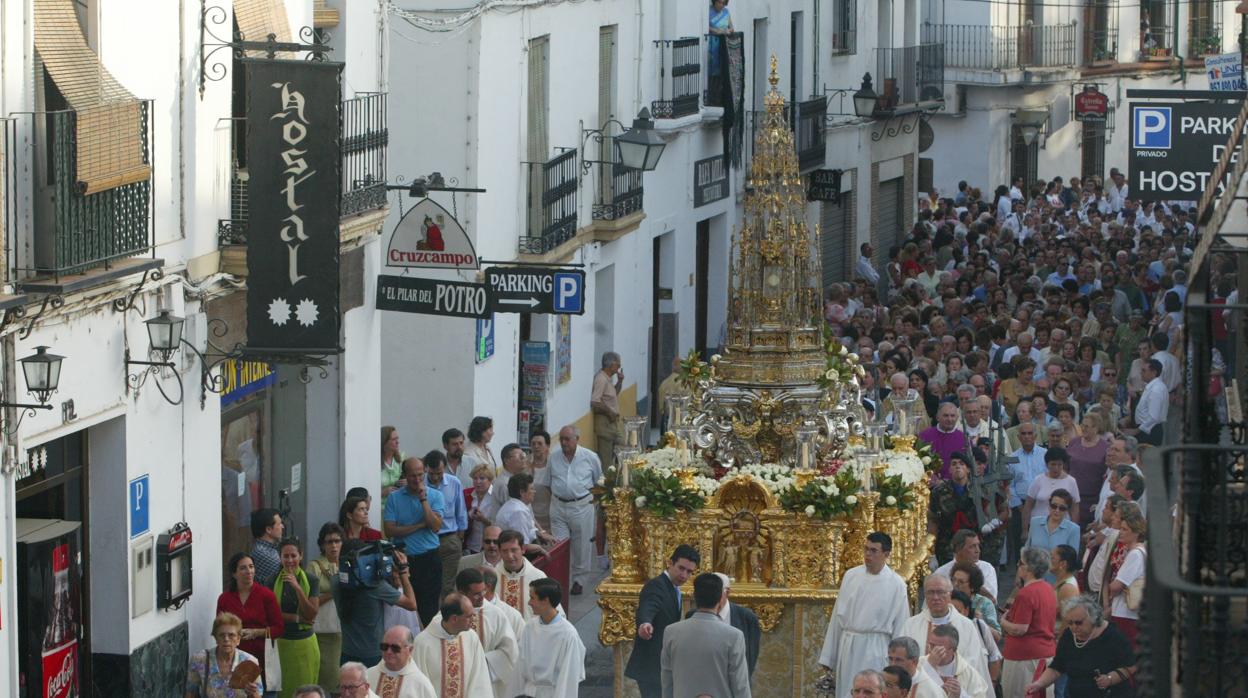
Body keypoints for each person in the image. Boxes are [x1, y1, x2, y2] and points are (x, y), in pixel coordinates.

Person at [818, 532, 909, 698]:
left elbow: (901, 625)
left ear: (886, 554)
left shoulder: (897, 584)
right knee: (848, 690)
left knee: (871, 689)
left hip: (876, 648)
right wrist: (829, 657)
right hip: (848, 646)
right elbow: (837, 618)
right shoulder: (851, 576)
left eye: (874, 551)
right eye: (866, 549)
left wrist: (896, 663)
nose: (868, 554)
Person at [429, 568, 518, 698]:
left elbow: (509, 652)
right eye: (476, 594)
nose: (482, 597)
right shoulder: (442, 619)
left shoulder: (496, 614)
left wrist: (481, 662)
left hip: (487, 683)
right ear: (461, 592)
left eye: (483, 591)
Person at [625, 544, 700, 698]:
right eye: (681, 568)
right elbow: (648, 606)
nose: (684, 575)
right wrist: (645, 623)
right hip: (651, 667)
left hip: (661, 666)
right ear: (670, 563)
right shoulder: (656, 586)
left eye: (689, 572)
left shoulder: (672, 588)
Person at [661, 573, 752, 698]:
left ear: (694, 596)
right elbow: (740, 685)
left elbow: (667, 681)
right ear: (721, 598)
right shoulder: (734, 636)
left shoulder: (671, 632)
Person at [1025, 596, 1137, 697]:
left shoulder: (1113, 636)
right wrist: (1039, 684)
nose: (1074, 627)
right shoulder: (1069, 635)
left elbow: (1131, 666)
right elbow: (1057, 667)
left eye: (1079, 623)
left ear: (1093, 618)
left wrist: (1110, 678)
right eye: (1070, 622)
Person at [335, 539, 419, 667]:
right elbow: (411, 604)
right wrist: (402, 571)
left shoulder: (335, 581)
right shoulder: (375, 587)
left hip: (347, 652)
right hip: (373, 656)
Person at [383, 456, 445, 627]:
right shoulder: (395, 498)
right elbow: (390, 530)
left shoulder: (436, 496)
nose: (417, 480)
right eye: (412, 476)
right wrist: (419, 525)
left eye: (420, 475)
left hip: (429, 559)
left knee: (429, 610)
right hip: (404, 560)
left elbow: (435, 526)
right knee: (406, 610)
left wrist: (423, 499)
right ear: (405, 475)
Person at [900, 576, 992, 689]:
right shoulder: (911, 625)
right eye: (930, 592)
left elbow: (972, 664)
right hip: (921, 691)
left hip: (956, 689)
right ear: (924, 595)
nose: (935, 597)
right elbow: (903, 661)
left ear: (950, 594)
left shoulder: (966, 626)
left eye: (940, 592)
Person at [547, 424, 604, 595]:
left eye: (567, 439)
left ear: (576, 439)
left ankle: (579, 580)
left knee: (581, 546)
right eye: (561, 439)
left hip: (581, 506)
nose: (564, 442)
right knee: (559, 545)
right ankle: (559, 579)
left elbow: (598, 481)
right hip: (558, 506)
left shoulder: (590, 457)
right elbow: (548, 482)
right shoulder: (554, 458)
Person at [216, 553, 283, 684]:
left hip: (265, 656)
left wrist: (257, 632)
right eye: (243, 568)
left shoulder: (266, 595)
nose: (249, 571)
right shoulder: (225, 599)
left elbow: (279, 628)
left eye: (251, 567)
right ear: (234, 574)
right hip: (234, 658)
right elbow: (219, 628)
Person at [1000, 547, 1058, 697]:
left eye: (1021, 563)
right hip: (1044, 654)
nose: (1018, 566)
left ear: (1029, 569)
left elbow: (1020, 629)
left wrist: (1003, 621)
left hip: (1024, 659)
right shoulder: (1048, 588)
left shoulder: (1026, 593)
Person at [410, 593, 493, 697]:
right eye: (468, 616)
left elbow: (480, 678)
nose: (473, 619)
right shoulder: (422, 643)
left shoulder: (471, 638)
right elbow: (418, 686)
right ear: (454, 619)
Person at [516, 578, 586, 698]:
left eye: (532, 598)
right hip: (528, 692)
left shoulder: (568, 634)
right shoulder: (530, 627)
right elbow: (520, 666)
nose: (529, 602)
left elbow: (568, 679)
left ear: (545, 600)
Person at [274, 538, 321, 698]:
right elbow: (272, 615)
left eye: (293, 556)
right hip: (280, 644)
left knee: (305, 692)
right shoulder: (271, 580)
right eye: (285, 556)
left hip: (305, 645)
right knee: (282, 691)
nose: (289, 560)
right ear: (279, 557)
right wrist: (297, 618)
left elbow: (311, 614)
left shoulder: (312, 580)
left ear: (301, 556)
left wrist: (297, 588)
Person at [1098, 502, 1147, 649]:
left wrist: (1112, 586)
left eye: (1125, 530)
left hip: (1125, 614)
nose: (1121, 532)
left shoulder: (1135, 555)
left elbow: (1116, 586)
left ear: (1136, 532)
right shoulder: (1137, 552)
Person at [185, 612, 263, 698]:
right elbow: (190, 694)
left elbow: (258, 695)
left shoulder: (250, 662)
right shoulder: (199, 659)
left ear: (238, 639)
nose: (226, 639)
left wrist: (253, 693)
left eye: (231, 635)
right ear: (216, 638)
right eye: (221, 635)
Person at [425, 449, 468, 596]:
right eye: (432, 474)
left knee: (447, 586)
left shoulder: (453, 482)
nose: (436, 477)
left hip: (449, 539)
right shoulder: (420, 486)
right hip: (426, 538)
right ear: (426, 469)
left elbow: (460, 510)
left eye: (439, 473)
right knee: (429, 584)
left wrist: (460, 536)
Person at [309, 524, 343, 693]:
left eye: (337, 541)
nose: (334, 546)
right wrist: (333, 592)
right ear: (322, 545)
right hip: (321, 632)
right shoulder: (315, 567)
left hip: (344, 632)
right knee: (324, 680)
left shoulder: (348, 563)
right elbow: (309, 602)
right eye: (329, 542)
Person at [928, 453, 980, 566]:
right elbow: (933, 520)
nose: (958, 466)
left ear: (968, 470)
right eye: (954, 464)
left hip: (973, 542)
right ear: (950, 470)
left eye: (962, 464)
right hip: (947, 544)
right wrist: (931, 550)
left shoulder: (979, 489)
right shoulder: (939, 491)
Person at [707, 572, 761, 679]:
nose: (711, 596)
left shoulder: (747, 618)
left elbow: (750, 658)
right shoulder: (693, 615)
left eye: (716, 591)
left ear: (727, 592)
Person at [1008, 421, 1047, 565]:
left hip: (1041, 505)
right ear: (1018, 437)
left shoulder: (1045, 455)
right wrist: (1019, 505)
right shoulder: (1012, 457)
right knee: (1021, 543)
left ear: (1035, 435)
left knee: (1040, 543)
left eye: (1030, 433)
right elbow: (1010, 485)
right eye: (1023, 434)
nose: (1027, 437)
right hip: (1020, 506)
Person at [916, 625, 991, 698]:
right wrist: (928, 667)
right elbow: (909, 692)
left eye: (939, 648)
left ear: (953, 650)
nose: (933, 652)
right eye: (931, 646)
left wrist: (961, 695)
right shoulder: (917, 664)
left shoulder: (969, 674)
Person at [1024, 448, 1081, 538]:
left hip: (1062, 528)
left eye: (1059, 465)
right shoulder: (1038, 480)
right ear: (1047, 465)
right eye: (1053, 464)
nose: (1056, 468)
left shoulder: (1071, 481)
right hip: (1038, 527)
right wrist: (1024, 530)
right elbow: (1028, 506)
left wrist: (1074, 531)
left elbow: (1075, 509)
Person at [363, 628, 437, 698]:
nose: (389, 652)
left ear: (410, 650)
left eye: (395, 648)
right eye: (385, 646)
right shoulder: (367, 676)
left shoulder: (421, 685)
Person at [493, 529, 549, 620]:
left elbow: (552, 613)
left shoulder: (538, 577)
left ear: (523, 549)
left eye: (514, 550)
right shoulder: (492, 578)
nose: (510, 556)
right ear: (499, 552)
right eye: (505, 551)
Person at [934, 528, 1000, 602]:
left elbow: (991, 600)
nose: (978, 550)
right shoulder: (940, 574)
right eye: (972, 546)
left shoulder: (987, 568)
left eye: (978, 545)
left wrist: (972, 581)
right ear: (958, 549)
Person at [1065, 414, 1109, 524]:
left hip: (1091, 499)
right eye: (1082, 425)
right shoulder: (1074, 442)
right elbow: (1065, 466)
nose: (1083, 429)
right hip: (1070, 496)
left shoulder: (1106, 447)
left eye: (1087, 426)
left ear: (1096, 428)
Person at [494, 473, 554, 551]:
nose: (534, 491)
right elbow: (523, 546)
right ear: (522, 492)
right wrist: (541, 549)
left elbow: (527, 531)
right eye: (532, 489)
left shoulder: (513, 505)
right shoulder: (518, 512)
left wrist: (540, 534)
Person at [950, 561, 999, 639]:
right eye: (953, 580)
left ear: (972, 586)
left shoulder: (985, 604)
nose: (955, 584)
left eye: (961, 582)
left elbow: (997, 637)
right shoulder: (947, 600)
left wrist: (982, 623)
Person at [591, 351, 625, 462]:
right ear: (611, 365)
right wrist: (609, 412)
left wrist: (619, 382)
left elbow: (614, 393)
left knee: (624, 448)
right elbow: (595, 402)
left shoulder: (608, 378)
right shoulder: (601, 379)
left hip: (613, 423)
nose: (619, 367)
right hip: (605, 424)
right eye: (618, 364)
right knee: (606, 460)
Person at [920, 403, 968, 479]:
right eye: (946, 416)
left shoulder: (965, 439)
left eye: (952, 416)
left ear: (957, 417)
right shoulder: (924, 436)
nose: (949, 419)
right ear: (937, 417)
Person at [1127, 358, 1167, 446]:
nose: (1141, 373)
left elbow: (1153, 417)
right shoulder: (1152, 386)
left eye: (1144, 370)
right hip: (1146, 429)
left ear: (1154, 372)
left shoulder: (1156, 390)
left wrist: (1136, 431)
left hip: (1149, 431)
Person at [464, 465, 501, 554]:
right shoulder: (467, 494)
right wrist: (469, 516)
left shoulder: (497, 496)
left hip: (492, 545)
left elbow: (501, 525)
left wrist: (483, 520)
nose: (478, 482)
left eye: (482, 478)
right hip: (472, 544)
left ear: (490, 480)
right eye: (475, 478)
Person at [250, 508, 285, 587]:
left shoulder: (271, 549)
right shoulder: (262, 553)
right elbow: (287, 576)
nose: (282, 527)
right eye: (279, 524)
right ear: (269, 529)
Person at [528, 430, 554, 531]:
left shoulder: (554, 464)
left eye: (540, 443)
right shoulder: (525, 465)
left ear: (547, 446)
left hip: (551, 515)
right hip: (531, 515)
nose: (536, 446)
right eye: (533, 444)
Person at [491, 443, 528, 510]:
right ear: (506, 461)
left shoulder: (518, 478)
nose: (523, 458)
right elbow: (513, 512)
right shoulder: (504, 484)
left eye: (523, 455)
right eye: (519, 456)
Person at [381, 426, 405, 499]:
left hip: (398, 503)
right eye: (394, 439)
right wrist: (382, 493)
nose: (398, 442)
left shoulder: (402, 458)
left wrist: (408, 482)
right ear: (385, 442)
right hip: (380, 506)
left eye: (397, 438)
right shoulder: (374, 461)